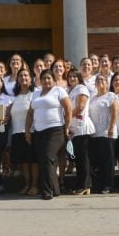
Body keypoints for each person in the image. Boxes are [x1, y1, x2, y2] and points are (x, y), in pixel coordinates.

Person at [25, 69, 72, 200]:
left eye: (49, 78)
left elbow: (68, 109)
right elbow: (30, 114)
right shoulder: (35, 94)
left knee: (47, 157)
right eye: (44, 78)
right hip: (39, 132)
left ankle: (46, 191)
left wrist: (67, 127)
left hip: (55, 130)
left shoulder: (59, 91)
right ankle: (55, 189)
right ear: (40, 80)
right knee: (44, 161)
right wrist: (28, 131)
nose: (46, 81)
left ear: (53, 80)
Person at [10, 68, 38, 195]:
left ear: (31, 78)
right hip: (17, 133)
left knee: (33, 161)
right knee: (24, 162)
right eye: (20, 76)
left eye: (26, 75)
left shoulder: (35, 93)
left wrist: (28, 132)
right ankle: (27, 185)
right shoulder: (14, 97)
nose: (23, 78)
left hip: (31, 132)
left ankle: (35, 185)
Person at [89, 73, 118, 194]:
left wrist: (111, 127)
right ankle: (100, 184)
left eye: (102, 79)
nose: (100, 81)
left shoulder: (111, 95)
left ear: (107, 83)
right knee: (99, 161)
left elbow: (115, 112)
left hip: (107, 133)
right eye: (97, 80)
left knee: (108, 161)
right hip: (95, 134)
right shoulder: (93, 98)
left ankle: (108, 185)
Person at [68, 70, 95, 195]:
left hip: (82, 127)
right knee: (78, 159)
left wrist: (66, 119)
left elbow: (80, 107)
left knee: (83, 158)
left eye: (74, 76)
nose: (72, 78)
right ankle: (81, 184)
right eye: (70, 76)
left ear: (79, 78)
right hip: (74, 129)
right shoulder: (70, 91)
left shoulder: (81, 88)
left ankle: (85, 185)